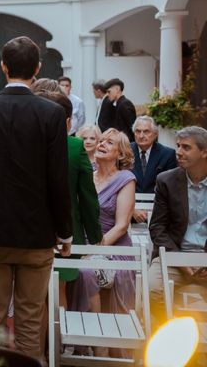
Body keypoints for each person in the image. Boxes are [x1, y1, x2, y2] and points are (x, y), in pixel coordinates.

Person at [0, 36, 72, 359]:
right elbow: (57, 179)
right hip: (36, 236)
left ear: (3, 67)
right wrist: (64, 231)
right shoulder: (51, 114)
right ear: (37, 68)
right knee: (29, 324)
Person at [67, 128, 136, 358]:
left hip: (113, 246)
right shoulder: (88, 172)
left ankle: (99, 346)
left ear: (121, 153)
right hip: (83, 244)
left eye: (110, 142)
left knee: (85, 272)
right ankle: (71, 340)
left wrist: (93, 249)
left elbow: (121, 226)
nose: (102, 144)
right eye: (102, 140)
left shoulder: (126, 179)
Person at [36, 92, 102, 295]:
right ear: (68, 121)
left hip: (29, 229)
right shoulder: (74, 147)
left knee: (32, 292)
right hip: (65, 229)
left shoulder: (25, 144)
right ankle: (58, 327)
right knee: (59, 290)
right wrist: (94, 234)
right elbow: (87, 195)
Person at [148, 126, 207, 324]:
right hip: (173, 256)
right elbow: (157, 228)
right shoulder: (166, 180)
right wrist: (181, 262)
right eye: (178, 146)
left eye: (186, 147)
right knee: (151, 290)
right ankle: (176, 333)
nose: (178, 152)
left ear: (204, 152)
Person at [130, 116, 177, 223]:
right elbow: (117, 186)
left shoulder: (168, 154)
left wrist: (152, 211)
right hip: (128, 212)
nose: (141, 136)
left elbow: (170, 190)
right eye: (138, 131)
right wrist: (132, 209)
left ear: (155, 134)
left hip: (158, 214)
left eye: (146, 131)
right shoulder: (124, 152)